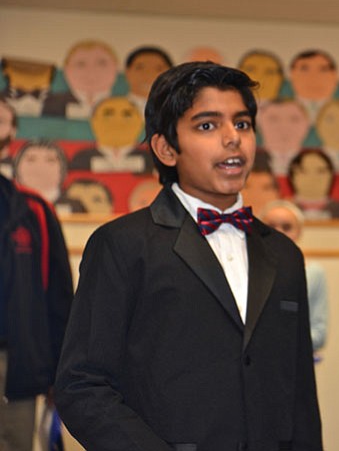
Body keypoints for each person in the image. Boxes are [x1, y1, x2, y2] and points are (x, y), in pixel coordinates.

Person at [54, 61, 322, 451]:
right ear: (165, 148)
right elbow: (83, 386)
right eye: (207, 125)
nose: (233, 139)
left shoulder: (284, 254)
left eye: (242, 123)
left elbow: (298, 394)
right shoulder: (123, 245)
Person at [0, 97, 73, 451]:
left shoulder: (33, 210)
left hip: (16, 363)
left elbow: (58, 298)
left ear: (11, 133)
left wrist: (60, 370)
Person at [261, 199, 329, 355]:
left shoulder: (313, 273)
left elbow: (319, 333)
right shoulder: (245, 269)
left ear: (299, 232)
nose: (278, 233)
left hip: (293, 362)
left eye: (287, 227)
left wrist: (276, 342)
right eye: (270, 226)